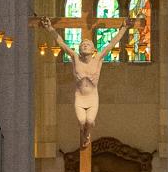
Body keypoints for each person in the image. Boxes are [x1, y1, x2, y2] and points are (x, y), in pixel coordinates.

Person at [40, 14, 133, 148]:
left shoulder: (98, 59)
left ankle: (87, 133)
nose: (85, 45)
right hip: (80, 97)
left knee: (89, 120)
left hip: (92, 97)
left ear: (93, 49)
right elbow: (61, 43)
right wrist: (50, 28)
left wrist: (124, 28)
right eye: (83, 44)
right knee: (81, 120)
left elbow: (112, 44)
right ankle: (84, 132)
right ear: (79, 48)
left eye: (88, 44)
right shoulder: (75, 58)